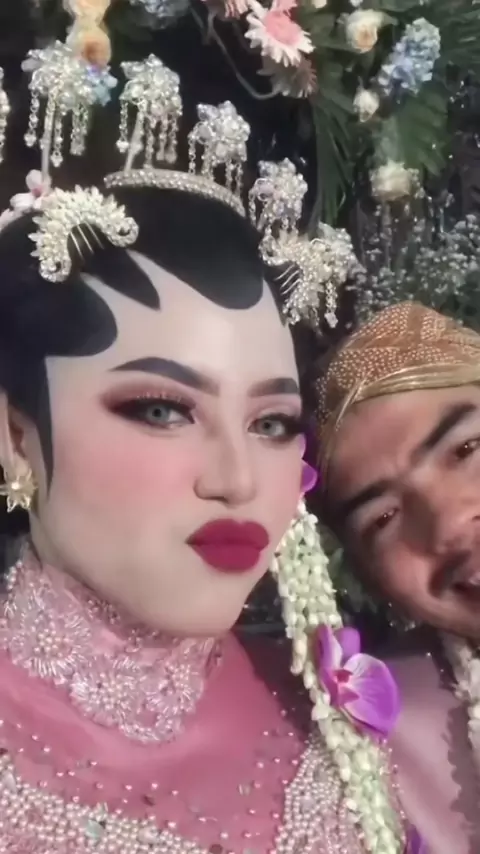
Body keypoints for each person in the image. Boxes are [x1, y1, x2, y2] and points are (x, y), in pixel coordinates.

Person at [0, 39, 413, 851]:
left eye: (272, 424)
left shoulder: (333, 719)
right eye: (162, 410)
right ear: (16, 436)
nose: (237, 480)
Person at [316, 301, 480, 854]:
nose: (448, 525)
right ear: (371, 580)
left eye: (466, 449)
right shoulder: (380, 754)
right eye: (383, 518)